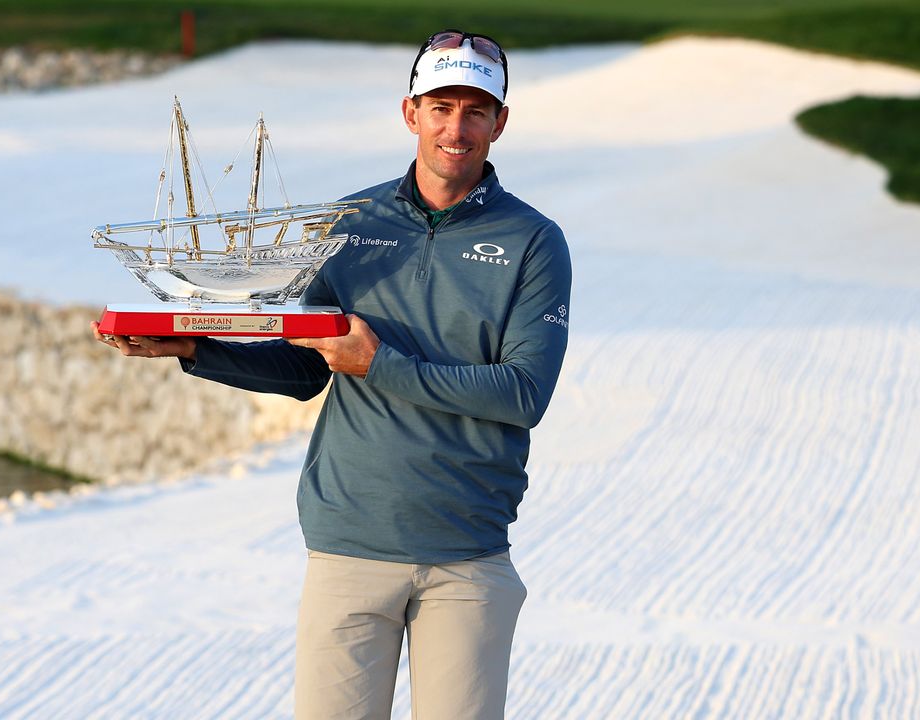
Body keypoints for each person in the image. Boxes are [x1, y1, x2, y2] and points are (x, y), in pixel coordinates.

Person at [92, 28, 571, 719]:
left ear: (500, 122)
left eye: (474, 109)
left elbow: (524, 394)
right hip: (347, 543)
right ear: (411, 113)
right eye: (440, 107)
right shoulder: (350, 222)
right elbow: (305, 366)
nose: (455, 128)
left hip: (466, 554)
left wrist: (381, 366)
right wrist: (193, 350)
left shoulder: (534, 242)